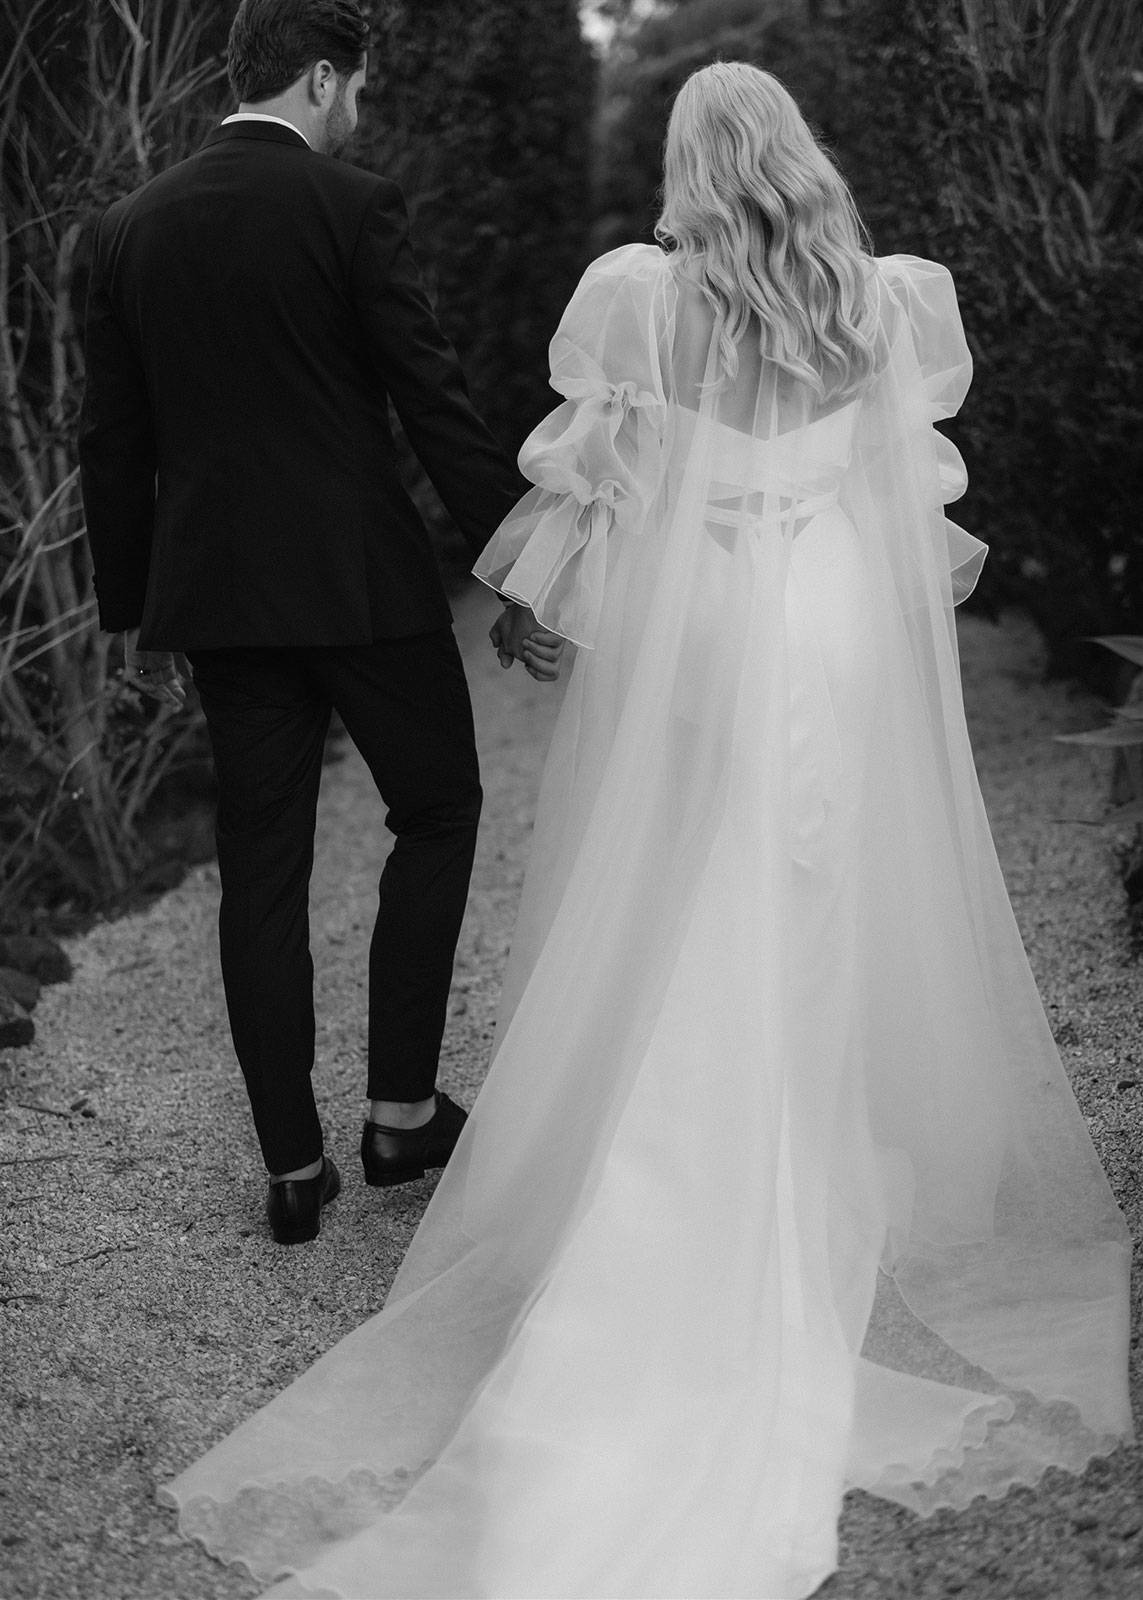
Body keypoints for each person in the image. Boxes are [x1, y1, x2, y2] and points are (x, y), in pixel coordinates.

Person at [160, 62, 1133, 1599]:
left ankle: (684, 1169)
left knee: (697, 871)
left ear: (687, 162)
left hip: (708, 630)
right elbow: (903, 492)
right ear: (800, 156)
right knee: (808, 879)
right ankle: (797, 1149)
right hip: (825, 625)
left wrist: (545, 608)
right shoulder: (882, 300)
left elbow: (603, 486)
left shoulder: (637, 294)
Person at [78, 0, 563, 1247]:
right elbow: (432, 400)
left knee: (264, 868)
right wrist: (526, 570)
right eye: (357, 90)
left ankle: (292, 1167)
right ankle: (401, 1110)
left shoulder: (123, 232)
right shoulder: (354, 208)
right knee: (440, 808)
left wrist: (134, 620)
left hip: (221, 604)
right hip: (360, 588)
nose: (362, 115)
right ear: (318, 76)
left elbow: (111, 447)